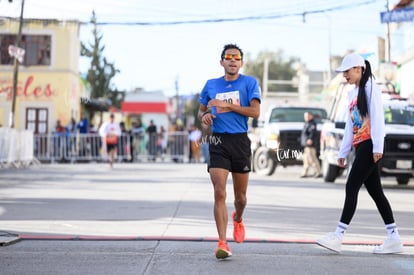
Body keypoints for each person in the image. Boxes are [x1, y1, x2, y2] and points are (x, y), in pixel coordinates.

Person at [316, 53, 403, 254]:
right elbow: (350, 125)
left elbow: (378, 118)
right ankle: (394, 238)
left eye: (347, 71)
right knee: (376, 192)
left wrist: (378, 147)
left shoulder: (371, 87)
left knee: (352, 185)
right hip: (360, 145)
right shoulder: (352, 93)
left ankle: (338, 235)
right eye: (343, 72)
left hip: (370, 144)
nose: (344, 75)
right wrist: (343, 151)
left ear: (359, 69)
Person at [198, 43, 261, 259]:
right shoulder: (211, 84)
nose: (232, 60)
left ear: (241, 62)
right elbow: (201, 111)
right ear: (222, 62)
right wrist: (205, 117)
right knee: (219, 192)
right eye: (228, 57)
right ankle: (223, 242)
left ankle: (239, 218)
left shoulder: (250, 83)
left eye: (236, 57)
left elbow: (255, 112)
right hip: (218, 141)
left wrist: (228, 106)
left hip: (240, 141)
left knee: (240, 198)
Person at [300, 112, 322, 178]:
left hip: (310, 145)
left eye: (307, 116)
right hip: (306, 144)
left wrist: (310, 139)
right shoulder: (307, 123)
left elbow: (312, 132)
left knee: (312, 158)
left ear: (311, 116)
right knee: (306, 159)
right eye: (305, 116)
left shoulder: (312, 123)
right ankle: (305, 173)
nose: (306, 117)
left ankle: (318, 172)